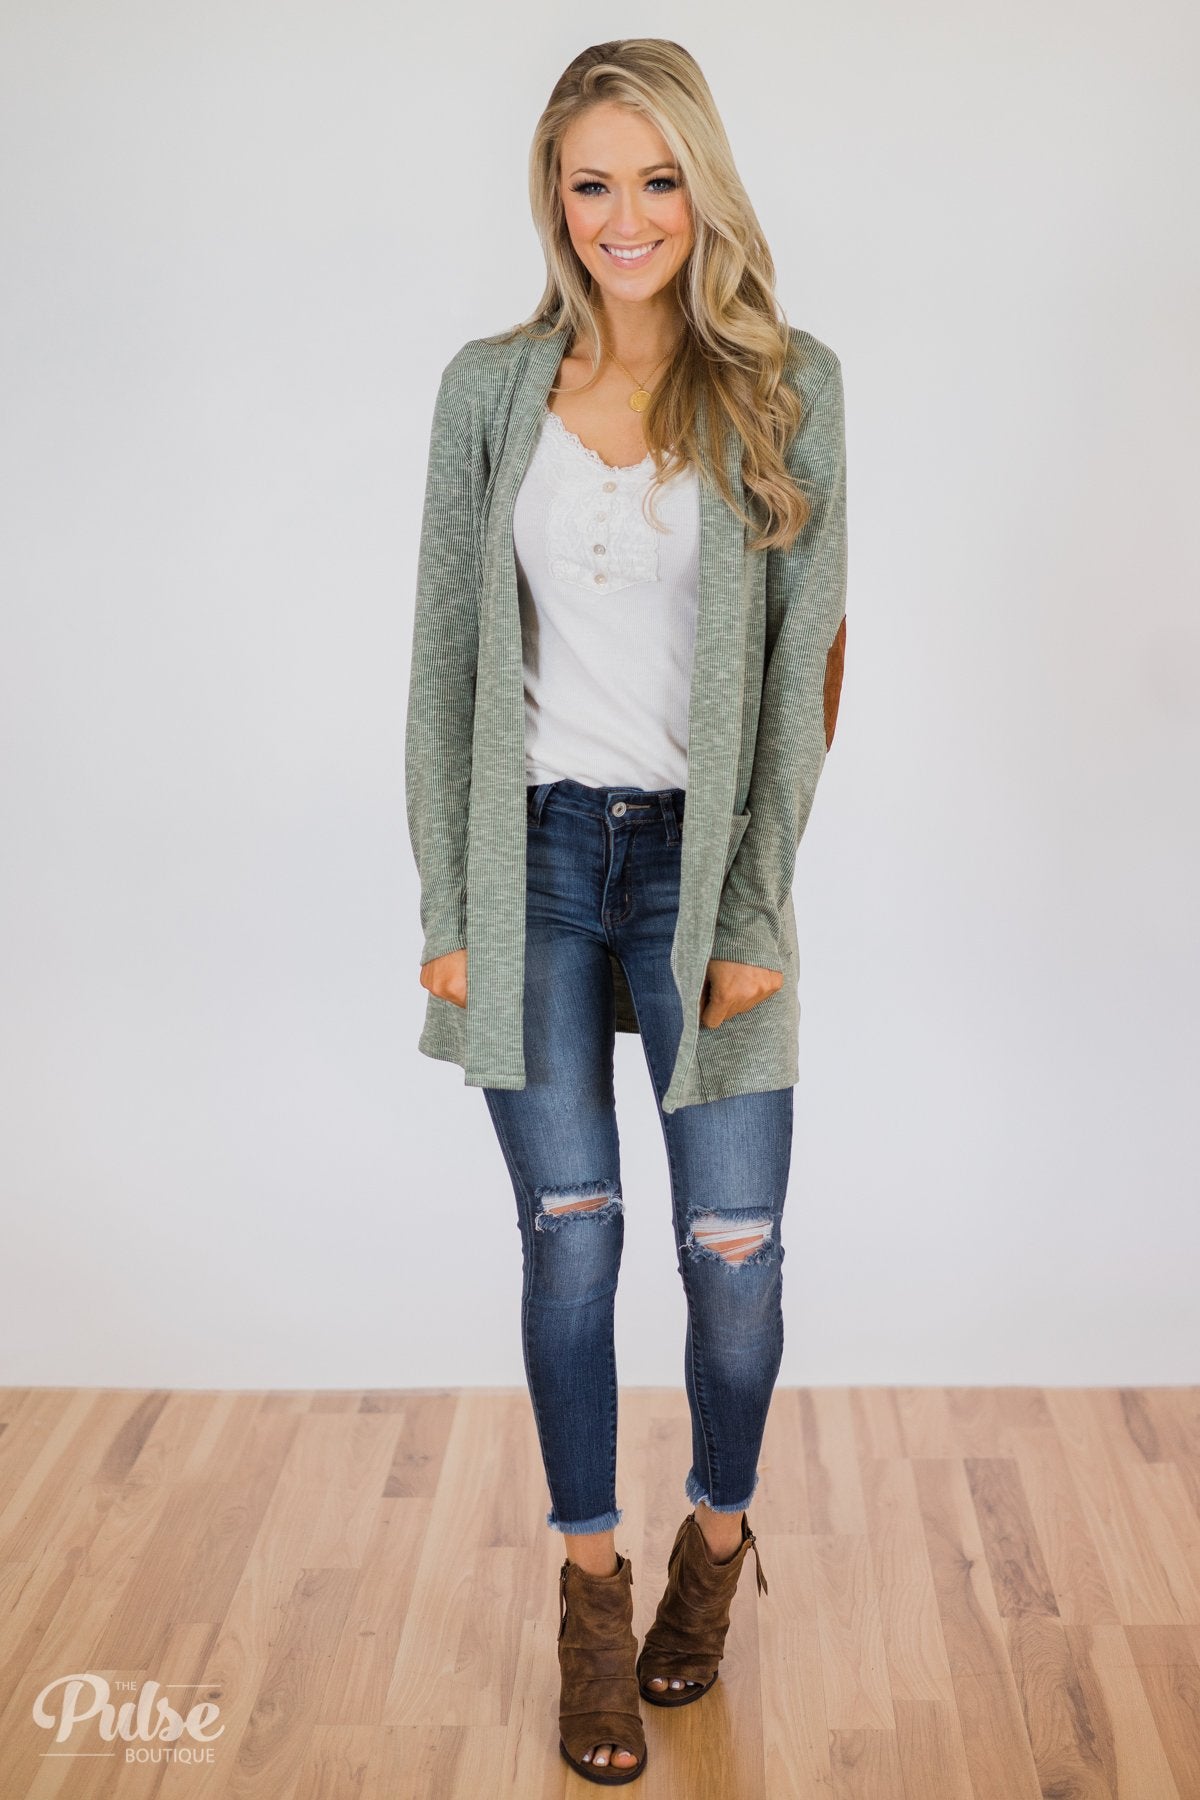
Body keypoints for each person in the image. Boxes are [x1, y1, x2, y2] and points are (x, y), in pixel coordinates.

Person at [405, 38, 848, 1787]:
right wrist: (449, 899)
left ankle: (716, 1542)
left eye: (657, 179)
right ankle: (590, 1593)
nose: (626, 216)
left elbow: (809, 671)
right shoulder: (488, 389)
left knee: (733, 1254)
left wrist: (753, 910)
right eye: (592, 183)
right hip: (528, 858)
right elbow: (445, 663)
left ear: (702, 189)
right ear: (555, 199)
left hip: (699, 870)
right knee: (572, 1236)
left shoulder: (789, 388)